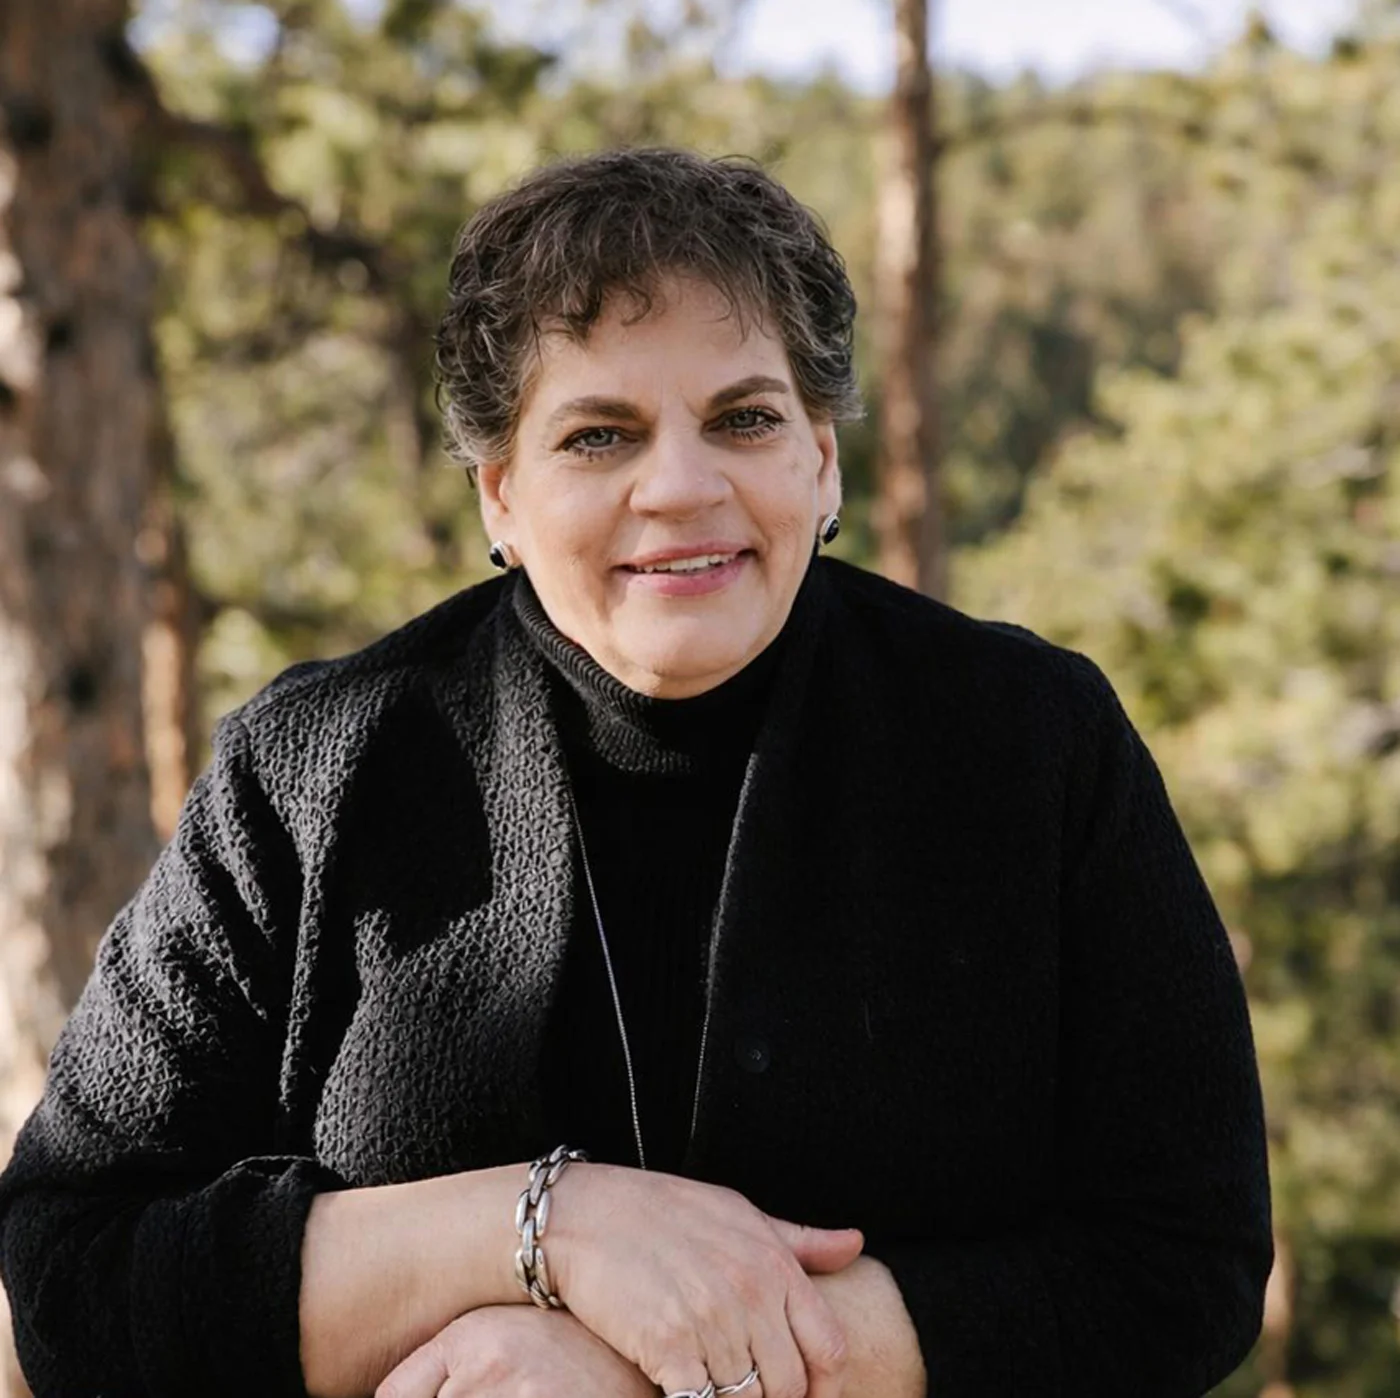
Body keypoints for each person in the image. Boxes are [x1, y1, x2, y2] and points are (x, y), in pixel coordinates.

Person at [0, 147, 1272, 1398]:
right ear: (498, 493)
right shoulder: (310, 768)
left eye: (744, 418)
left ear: (820, 461)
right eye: (598, 435)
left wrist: (653, 1369)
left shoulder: (1032, 739)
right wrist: (551, 1232)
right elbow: (73, 1270)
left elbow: (1183, 1259)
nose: (679, 486)